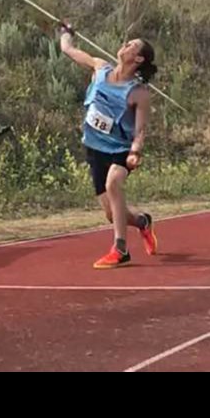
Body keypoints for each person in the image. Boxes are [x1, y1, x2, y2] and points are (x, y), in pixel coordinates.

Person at [58, 22, 158, 269]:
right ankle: (143, 222)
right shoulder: (100, 68)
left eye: (131, 45)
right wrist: (65, 34)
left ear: (138, 58)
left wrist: (135, 151)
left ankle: (120, 249)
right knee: (113, 214)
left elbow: (141, 129)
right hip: (95, 149)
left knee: (114, 182)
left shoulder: (139, 93)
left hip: (120, 150)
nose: (125, 44)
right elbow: (69, 50)